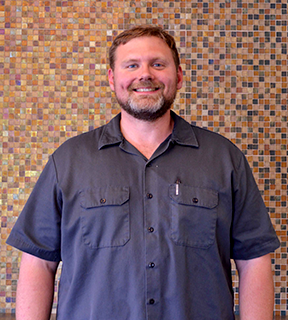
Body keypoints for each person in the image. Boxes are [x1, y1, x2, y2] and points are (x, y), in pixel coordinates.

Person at [7, 25, 280, 320]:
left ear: (178, 74)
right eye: (132, 65)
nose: (145, 74)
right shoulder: (69, 161)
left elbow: (254, 261)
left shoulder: (225, 160)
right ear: (112, 78)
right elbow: (38, 263)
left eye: (158, 64)